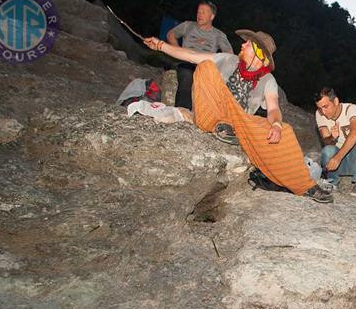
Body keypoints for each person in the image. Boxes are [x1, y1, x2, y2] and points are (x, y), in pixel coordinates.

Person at [143, 29, 333, 203]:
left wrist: (275, 125)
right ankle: (220, 126)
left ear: (259, 54)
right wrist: (161, 45)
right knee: (205, 67)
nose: (242, 45)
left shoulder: (268, 80)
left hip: (239, 124)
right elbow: (192, 56)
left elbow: (273, 108)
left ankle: (306, 186)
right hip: (211, 112)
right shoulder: (228, 59)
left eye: (248, 44)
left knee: (285, 130)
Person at [166, 1, 233, 110]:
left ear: (212, 16)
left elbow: (229, 53)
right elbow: (170, 34)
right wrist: (178, 51)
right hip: (186, 62)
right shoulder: (187, 25)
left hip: (205, 65)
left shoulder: (218, 35)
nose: (199, 15)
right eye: (198, 12)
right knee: (186, 76)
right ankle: (183, 110)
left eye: (204, 12)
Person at [314, 87, 356, 196]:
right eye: (320, 108)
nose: (323, 112)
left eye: (326, 106)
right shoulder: (319, 114)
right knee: (328, 150)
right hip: (338, 166)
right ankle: (332, 181)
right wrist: (333, 138)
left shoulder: (351, 109)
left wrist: (338, 157)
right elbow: (327, 143)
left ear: (336, 101)